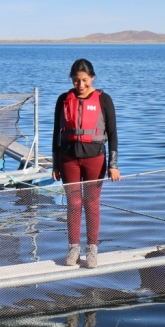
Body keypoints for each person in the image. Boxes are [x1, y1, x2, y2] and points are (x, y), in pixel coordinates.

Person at [52, 59, 121, 268]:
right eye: (76, 80)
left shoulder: (104, 100)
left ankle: (92, 250)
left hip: (95, 159)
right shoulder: (63, 100)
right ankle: (73, 249)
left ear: (92, 78)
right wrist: (55, 164)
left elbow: (113, 134)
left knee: (91, 204)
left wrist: (113, 164)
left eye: (84, 80)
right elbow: (56, 133)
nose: (80, 85)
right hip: (68, 159)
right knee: (73, 204)